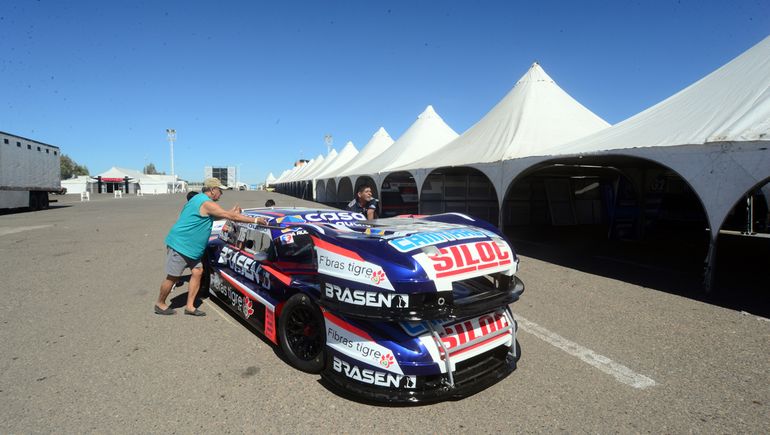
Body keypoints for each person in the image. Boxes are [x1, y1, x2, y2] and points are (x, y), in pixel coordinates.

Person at [154, 177, 267, 316]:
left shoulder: (200, 200)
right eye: (220, 190)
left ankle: (189, 306)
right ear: (213, 190)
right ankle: (160, 304)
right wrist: (255, 220)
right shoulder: (205, 202)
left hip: (191, 248)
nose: (221, 193)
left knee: (198, 272)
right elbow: (224, 214)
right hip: (181, 245)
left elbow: (218, 215)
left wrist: (231, 212)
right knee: (173, 277)